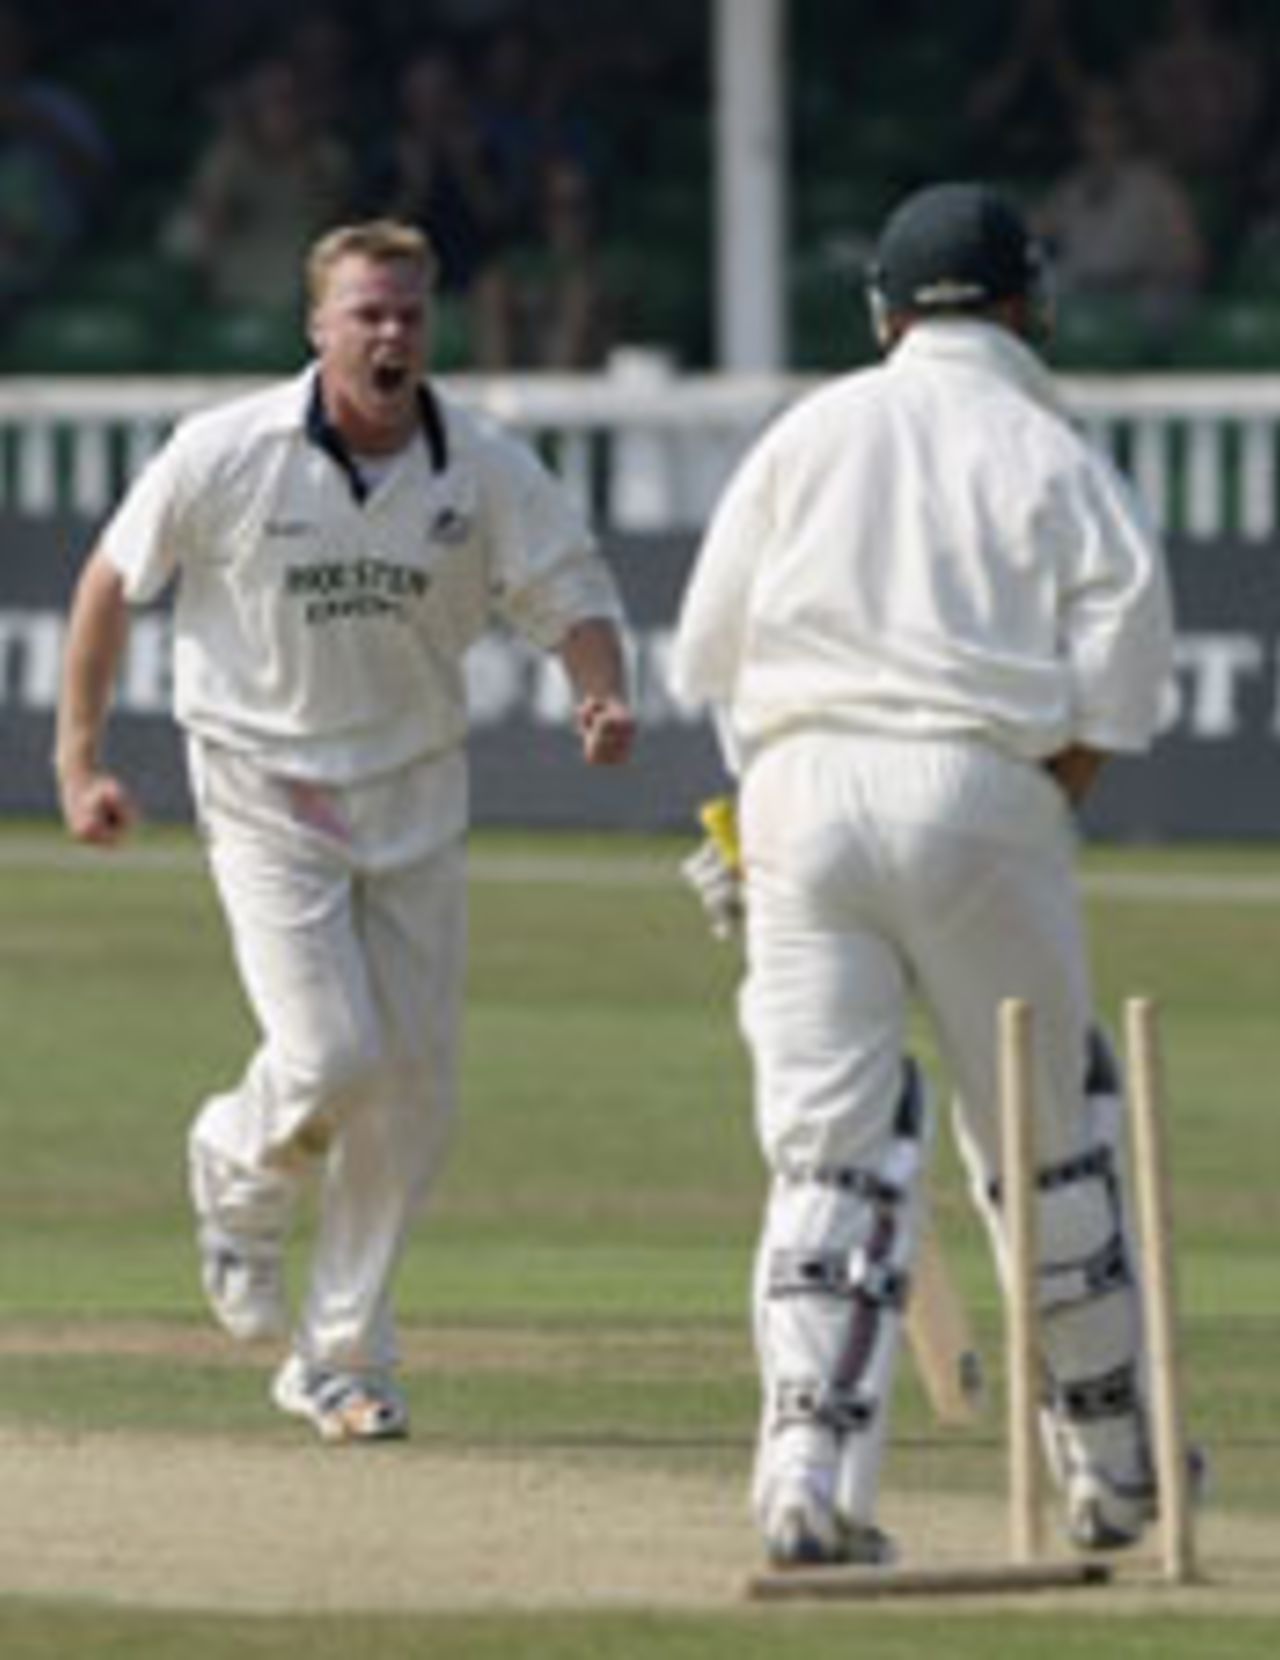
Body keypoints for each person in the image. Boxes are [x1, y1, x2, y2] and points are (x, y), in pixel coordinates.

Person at [54, 218, 635, 1443]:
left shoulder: (480, 466)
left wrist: (600, 686)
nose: (390, 335)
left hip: (414, 790)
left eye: (409, 315)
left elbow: (573, 595)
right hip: (264, 780)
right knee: (329, 1052)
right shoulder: (228, 451)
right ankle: (232, 1163)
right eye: (365, 313)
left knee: (414, 1091)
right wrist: (81, 759)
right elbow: (111, 580)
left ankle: (340, 1356)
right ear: (316, 326)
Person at [671, 182, 1176, 1568]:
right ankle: (1117, 1467)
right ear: (1030, 306)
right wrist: (1015, 807)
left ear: (885, 314)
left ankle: (806, 1486)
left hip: (796, 794)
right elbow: (1123, 684)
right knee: (1045, 1136)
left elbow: (706, 655)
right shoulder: (1052, 446)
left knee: (830, 1155)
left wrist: (759, 830)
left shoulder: (809, 431)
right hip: (982, 784)